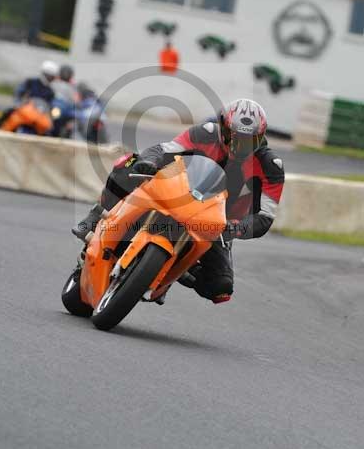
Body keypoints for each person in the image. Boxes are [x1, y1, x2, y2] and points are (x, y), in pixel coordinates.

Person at [72, 99, 285, 303]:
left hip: (216, 223)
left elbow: (265, 217)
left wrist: (235, 229)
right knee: (130, 163)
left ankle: (180, 271)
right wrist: (149, 162)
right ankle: (95, 216)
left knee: (221, 287)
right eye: (234, 138)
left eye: (250, 142)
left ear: (261, 138)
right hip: (176, 191)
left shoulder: (270, 166)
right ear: (222, 128)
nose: (240, 148)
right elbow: (163, 149)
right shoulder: (205, 133)